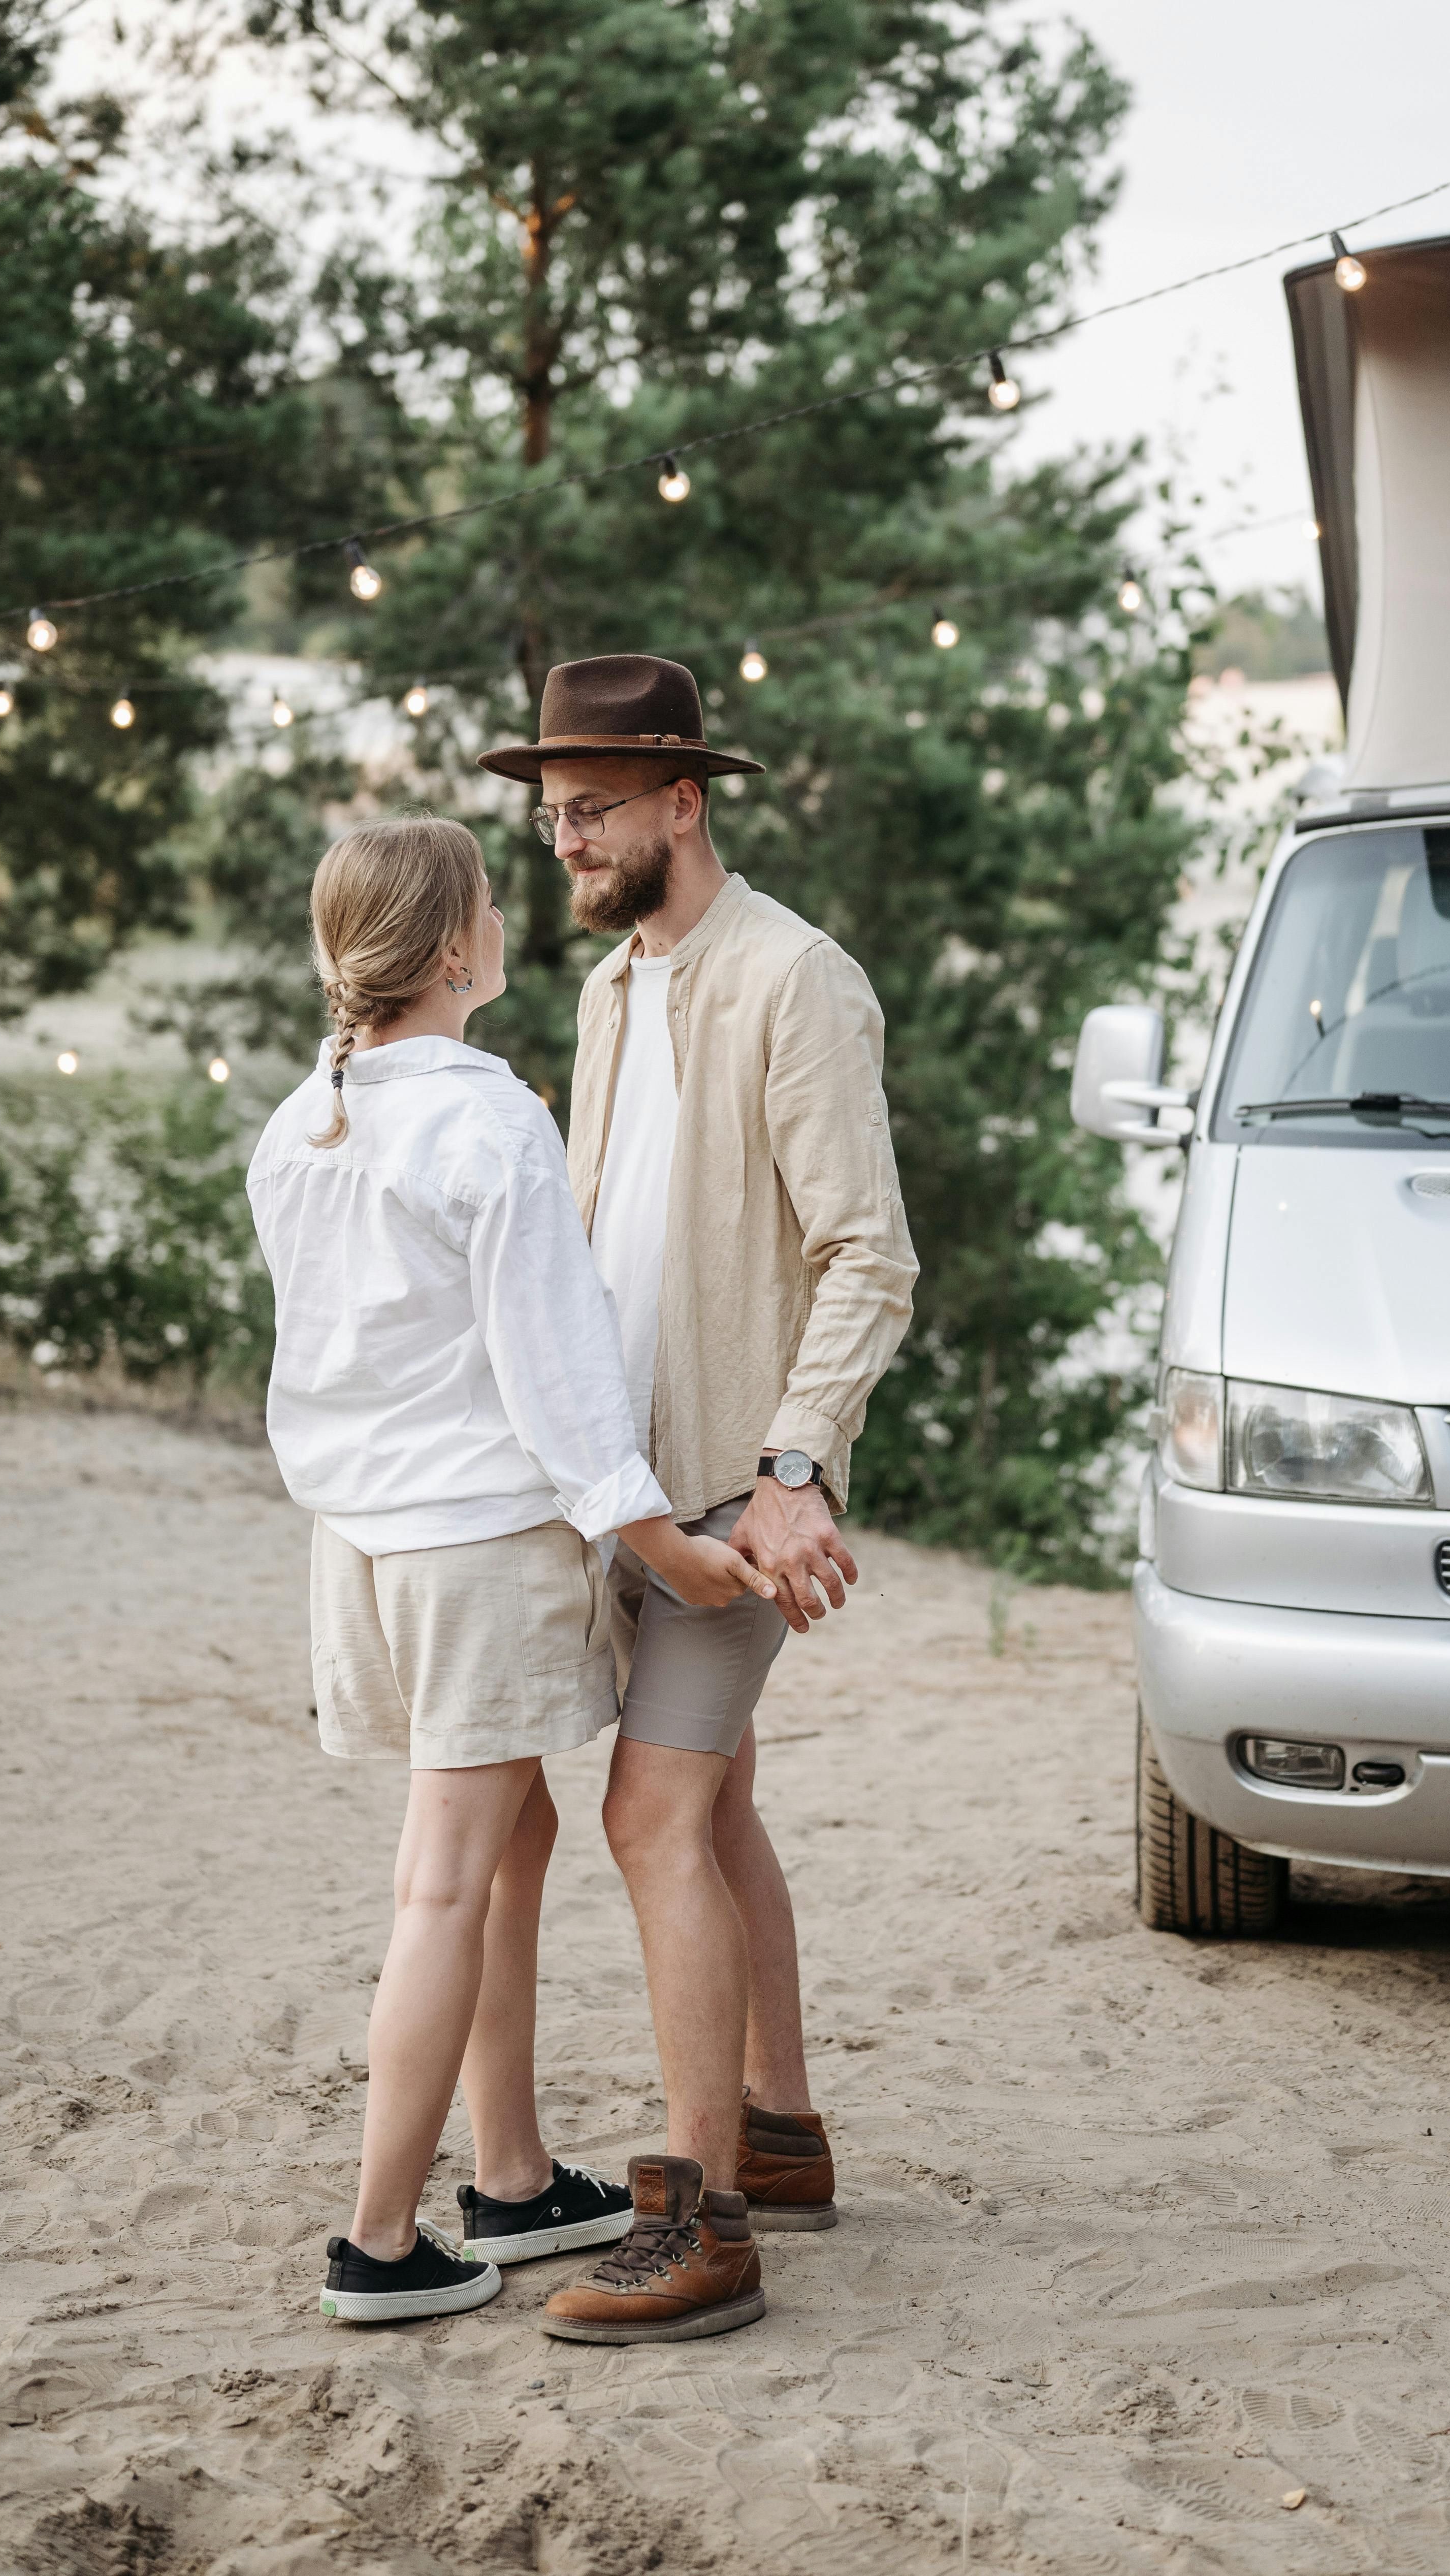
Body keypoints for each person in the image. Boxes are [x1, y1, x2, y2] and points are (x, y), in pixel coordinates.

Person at [245, 815, 773, 2328]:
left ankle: (518, 2178)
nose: (503, 917)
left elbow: (340, 1361)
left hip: (360, 1552)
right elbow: (560, 1367)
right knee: (444, 1882)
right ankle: (380, 2245)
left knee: (507, 1845)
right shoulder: (488, 1120)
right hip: (476, 1550)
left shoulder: (305, 1122)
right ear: (456, 948)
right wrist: (659, 1533)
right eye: (487, 899)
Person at [475, 655, 918, 2344]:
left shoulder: (797, 980)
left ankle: (704, 2217)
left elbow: (868, 1252)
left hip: (738, 1489)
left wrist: (794, 1470)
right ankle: (782, 2132)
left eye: (589, 813)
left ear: (685, 800)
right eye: (551, 817)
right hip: (632, 1481)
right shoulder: (603, 998)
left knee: (649, 1820)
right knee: (717, 1812)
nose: (565, 845)